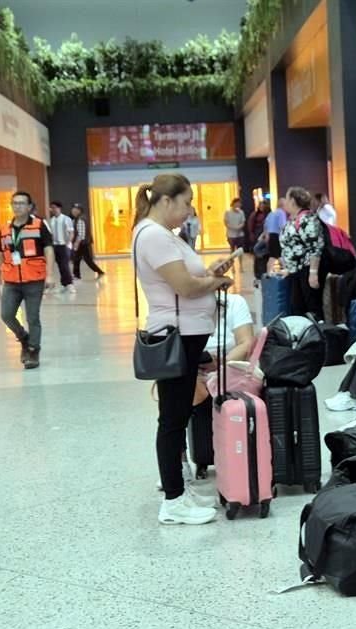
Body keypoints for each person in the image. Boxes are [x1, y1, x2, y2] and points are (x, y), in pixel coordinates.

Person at [132, 173, 233, 526]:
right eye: (187, 202)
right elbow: (185, 286)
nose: (190, 209)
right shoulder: (154, 236)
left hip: (186, 333)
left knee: (177, 415)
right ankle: (173, 500)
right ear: (166, 201)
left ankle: (179, 492)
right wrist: (215, 281)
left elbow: (190, 279)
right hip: (177, 335)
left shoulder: (164, 236)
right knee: (173, 418)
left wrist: (210, 273)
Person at [0, 191, 56, 370]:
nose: (18, 206)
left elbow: (48, 249)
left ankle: (33, 351)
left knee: (33, 317)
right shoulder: (5, 228)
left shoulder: (39, 225)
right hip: (11, 280)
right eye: (15, 203)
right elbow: (0, 254)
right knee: (6, 315)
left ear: (30, 206)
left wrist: (50, 274)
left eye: (22, 203)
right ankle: (23, 337)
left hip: (34, 279)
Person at [279, 186, 326, 320]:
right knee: (297, 307)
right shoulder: (293, 219)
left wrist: (313, 273)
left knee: (311, 306)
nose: (284, 202)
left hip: (306, 270)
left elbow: (315, 247)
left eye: (287, 199)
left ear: (293, 201)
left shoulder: (307, 219)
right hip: (296, 272)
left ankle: (318, 335)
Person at [71, 204, 105, 280]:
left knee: (81, 259)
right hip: (84, 242)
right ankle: (77, 275)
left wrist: (76, 243)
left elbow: (81, 234)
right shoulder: (79, 218)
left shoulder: (80, 219)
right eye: (73, 209)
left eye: (75, 209)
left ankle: (77, 275)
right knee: (80, 259)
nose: (73, 211)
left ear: (79, 211)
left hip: (82, 243)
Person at [48, 201, 76, 293]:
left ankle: (70, 284)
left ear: (59, 208)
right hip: (55, 246)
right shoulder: (51, 220)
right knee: (60, 265)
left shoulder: (66, 219)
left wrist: (68, 243)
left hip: (64, 245)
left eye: (55, 207)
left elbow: (71, 232)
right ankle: (64, 284)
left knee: (64, 265)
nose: (53, 209)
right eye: (51, 207)